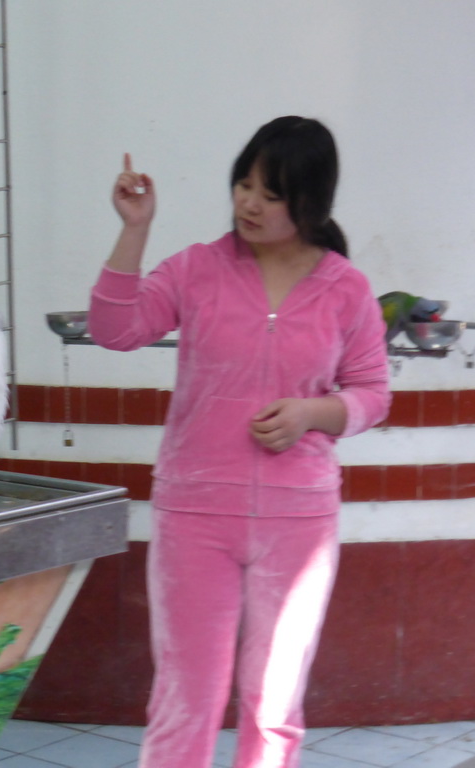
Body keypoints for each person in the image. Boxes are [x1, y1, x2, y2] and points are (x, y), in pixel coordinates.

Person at [87, 116, 391, 768]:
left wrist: (314, 411)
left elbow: (372, 395)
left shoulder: (347, 288)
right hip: (194, 514)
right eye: (244, 184)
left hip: (298, 520)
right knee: (185, 698)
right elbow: (114, 328)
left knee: (275, 706)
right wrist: (134, 229)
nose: (250, 203)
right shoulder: (197, 269)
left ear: (309, 202)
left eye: (272, 193)